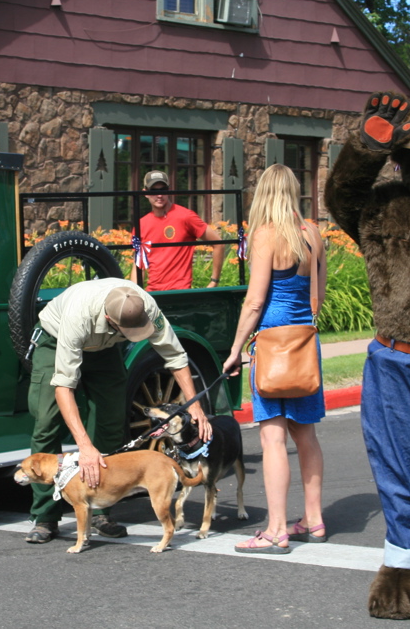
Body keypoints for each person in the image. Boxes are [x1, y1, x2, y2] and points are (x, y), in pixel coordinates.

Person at [25, 277, 213, 544]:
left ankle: (102, 510)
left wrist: (195, 405)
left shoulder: (144, 306)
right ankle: (45, 516)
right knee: (46, 423)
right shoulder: (79, 316)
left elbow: (176, 356)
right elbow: (64, 388)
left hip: (105, 348)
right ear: (110, 319)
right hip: (57, 340)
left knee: (111, 421)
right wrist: (85, 447)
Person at [221, 163, 328, 554]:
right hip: (304, 342)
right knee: (306, 434)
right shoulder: (312, 233)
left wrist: (235, 350)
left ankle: (276, 528)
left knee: (271, 436)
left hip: (271, 343)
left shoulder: (266, 235)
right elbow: (320, 292)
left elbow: (254, 302)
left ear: (265, 194)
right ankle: (313, 519)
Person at [130, 170, 225, 290]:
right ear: (145, 193)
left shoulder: (185, 216)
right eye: (154, 191)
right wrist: (134, 292)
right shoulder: (141, 224)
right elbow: (139, 263)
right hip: (153, 292)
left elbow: (219, 244)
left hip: (180, 291)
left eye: (163, 190)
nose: (159, 195)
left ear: (169, 191)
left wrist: (214, 282)